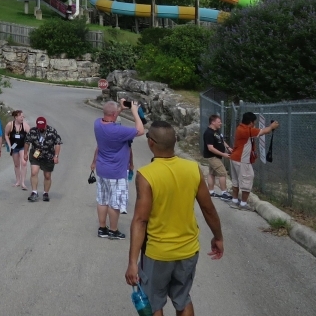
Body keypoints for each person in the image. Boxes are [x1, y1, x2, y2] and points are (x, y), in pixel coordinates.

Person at [125, 121, 224, 316]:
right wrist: (218, 237)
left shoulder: (146, 175)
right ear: (175, 141)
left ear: (151, 143)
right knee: (183, 299)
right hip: (188, 251)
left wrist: (132, 262)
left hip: (158, 253)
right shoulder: (193, 168)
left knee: (154, 304)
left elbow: (140, 220)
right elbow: (209, 209)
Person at [91, 98, 144, 239]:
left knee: (102, 199)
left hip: (102, 169)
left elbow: (111, 118)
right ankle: (113, 231)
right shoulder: (118, 131)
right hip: (117, 172)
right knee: (114, 203)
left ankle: (102, 228)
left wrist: (119, 109)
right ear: (114, 115)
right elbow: (140, 130)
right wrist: (134, 112)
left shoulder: (97, 124)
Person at [229, 111, 280, 210]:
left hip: (235, 158)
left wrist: (269, 128)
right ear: (250, 122)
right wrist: (272, 126)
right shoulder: (245, 130)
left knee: (236, 181)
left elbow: (261, 131)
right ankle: (243, 204)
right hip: (242, 160)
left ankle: (234, 201)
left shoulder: (241, 128)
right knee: (247, 180)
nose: (255, 124)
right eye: (254, 122)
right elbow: (264, 131)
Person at [26, 116, 63, 202]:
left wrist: (56, 156)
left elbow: (57, 143)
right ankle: (34, 192)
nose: (41, 129)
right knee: (34, 172)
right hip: (36, 155)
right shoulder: (33, 131)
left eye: (43, 127)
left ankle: (45, 193)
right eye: (39, 127)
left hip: (48, 155)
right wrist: (25, 153)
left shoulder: (52, 131)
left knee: (47, 176)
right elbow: (27, 142)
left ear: (46, 125)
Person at [201, 114, 232, 200]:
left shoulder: (217, 131)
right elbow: (210, 148)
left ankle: (211, 192)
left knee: (212, 173)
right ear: (213, 122)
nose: (220, 123)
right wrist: (224, 154)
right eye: (219, 122)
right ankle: (224, 193)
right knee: (222, 173)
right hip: (212, 157)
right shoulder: (208, 133)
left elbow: (222, 141)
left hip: (216, 156)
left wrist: (228, 148)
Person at [5, 110, 29, 188]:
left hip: (22, 146)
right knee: (16, 164)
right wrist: (9, 145)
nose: (22, 118)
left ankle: (23, 182)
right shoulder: (10, 125)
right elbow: (6, 135)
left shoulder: (25, 125)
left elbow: (31, 135)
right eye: (21, 116)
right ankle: (18, 181)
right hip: (14, 147)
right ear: (16, 117)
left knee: (24, 163)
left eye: (23, 117)